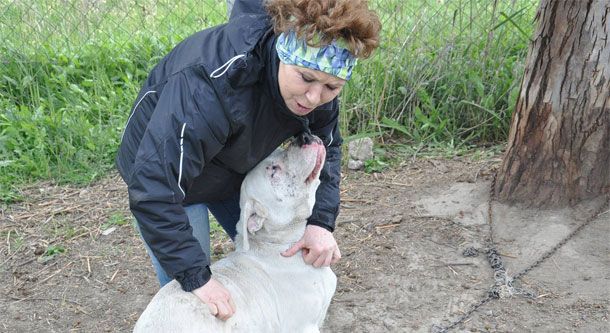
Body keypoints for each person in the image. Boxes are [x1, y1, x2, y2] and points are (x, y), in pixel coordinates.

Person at [116, 0, 381, 321]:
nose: (314, 98)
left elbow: (328, 146)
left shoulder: (319, 80)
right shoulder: (209, 84)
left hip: (231, 163)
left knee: (271, 251)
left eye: (332, 87)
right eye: (306, 79)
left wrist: (321, 223)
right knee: (192, 295)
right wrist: (197, 277)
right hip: (170, 177)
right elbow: (154, 186)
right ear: (283, 53)